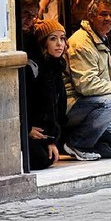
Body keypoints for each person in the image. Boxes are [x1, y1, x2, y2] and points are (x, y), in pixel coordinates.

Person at [63, 0, 111, 160]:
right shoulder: (82, 42)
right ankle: (77, 143)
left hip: (91, 105)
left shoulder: (100, 37)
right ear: (91, 16)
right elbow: (86, 85)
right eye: (103, 14)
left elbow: (99, 76)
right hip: (73, 104)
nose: (108, 19)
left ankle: (69, 144)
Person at [24, 19, 68, 170]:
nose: (59, 44)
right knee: (41, 160)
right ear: (44, 43)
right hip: (31, 128)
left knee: (47, 158)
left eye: (62, 39)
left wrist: (52, 140)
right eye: (53, 39)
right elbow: (27, 103)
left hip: (47, 131)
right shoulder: (35, 69)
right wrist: (27, 128)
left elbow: (58, 109)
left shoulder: (57, 67)